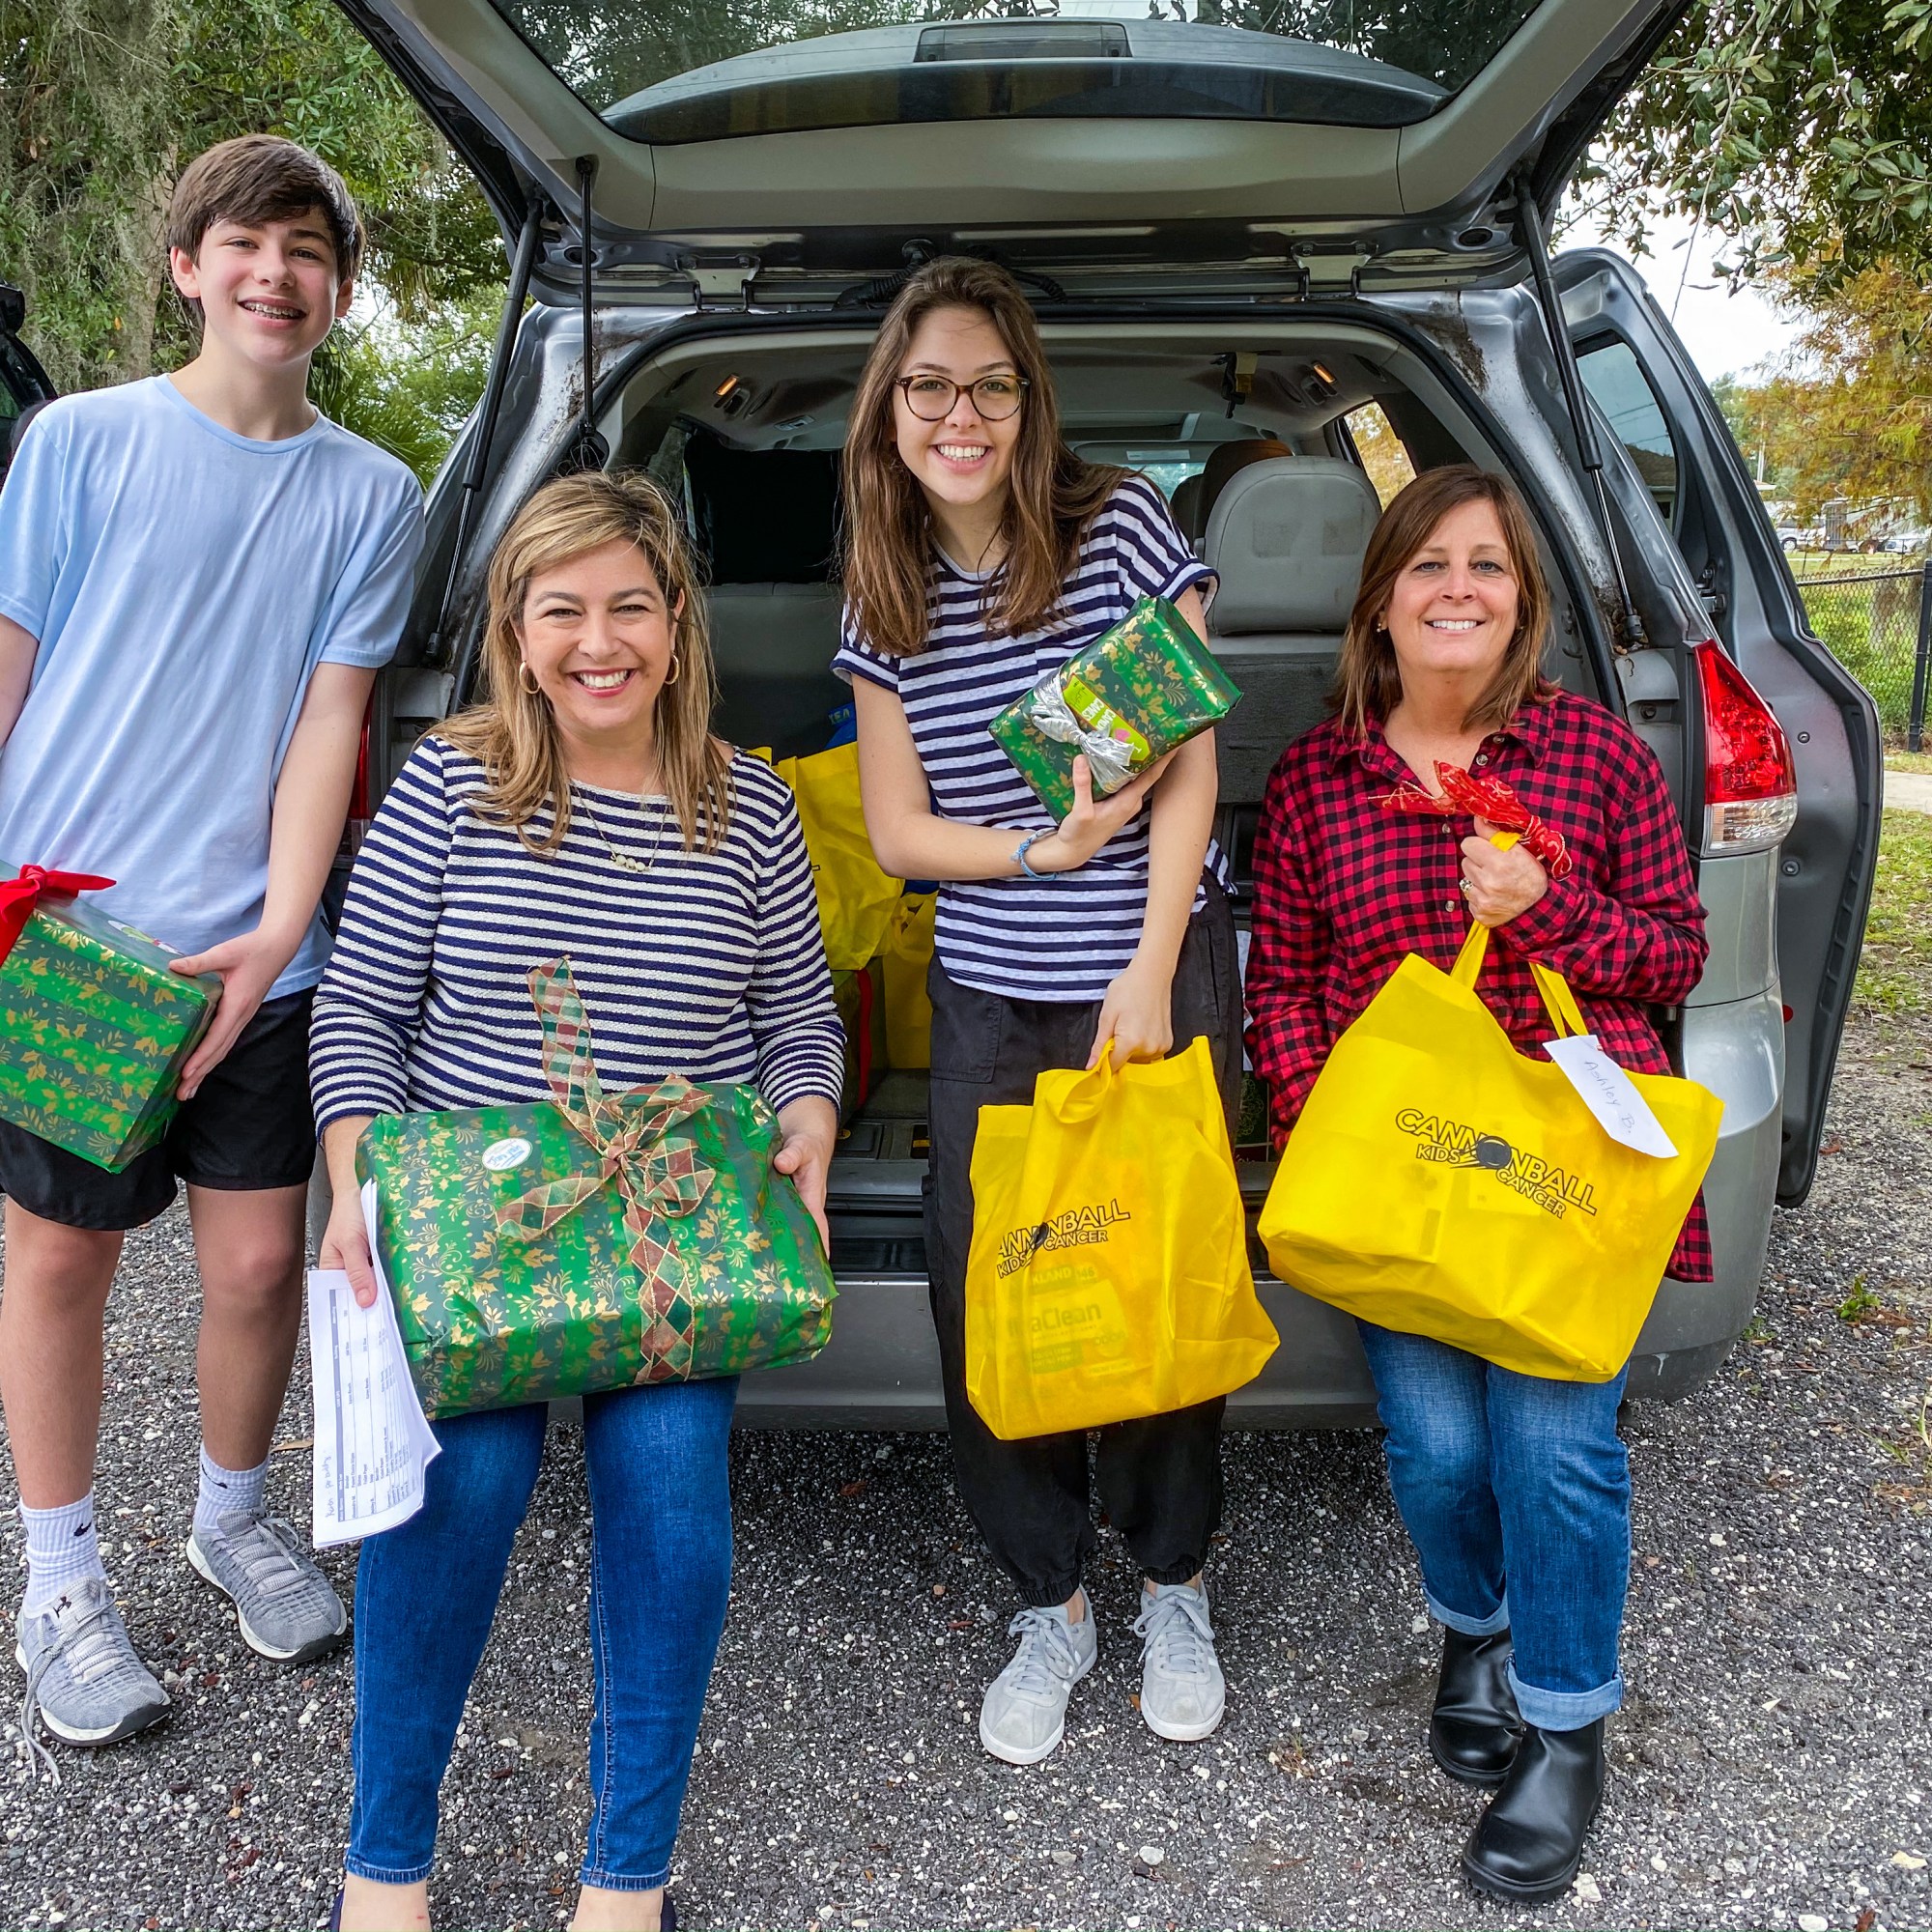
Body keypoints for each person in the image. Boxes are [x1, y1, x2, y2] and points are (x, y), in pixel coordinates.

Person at [310, 469, 843, 1932]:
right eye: (561, 611)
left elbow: (798, 1016)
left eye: (628, 607)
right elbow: (358, 1011)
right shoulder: (447, 786)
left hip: (670, 1225)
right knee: (459, 1488)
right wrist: (356, 1181)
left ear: (678, 628)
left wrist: (807, 1117)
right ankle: (385, 1867)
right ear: (516, 632)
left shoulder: (753, 809)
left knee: (671, 1500)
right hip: (480, 1233)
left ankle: (628, 1878)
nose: (597, 643)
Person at [0, 135, 423, 1752]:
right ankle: (59, 1585)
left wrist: (279, 931)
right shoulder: (78, 441)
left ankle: (230, 1518)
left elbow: (329, 725)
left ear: (339, 291)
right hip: (72, 944)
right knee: (62, 1258)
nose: (276, 272)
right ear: (188, 266)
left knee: (255, 1266)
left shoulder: (371, 494)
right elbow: (10, 666)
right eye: (246, 242)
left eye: (308, 250)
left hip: (260, 956)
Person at [1244, 465, 1710, 1901]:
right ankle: (1478, 1630)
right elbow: (1284, 982)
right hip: (1409, 1172)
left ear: (1524, 603)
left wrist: (1549, 908)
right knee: (1438, 1450)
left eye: (1488, 566)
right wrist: (1331, 1120)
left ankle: (1565, 1730)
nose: (1459, 588)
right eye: (1430, 565)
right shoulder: (1320, 777)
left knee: (1554, 1448)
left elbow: (1677, 954)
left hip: (1560, 1165)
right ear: (1381, 604)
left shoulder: (1594, 757)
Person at [836, 257, 1239, 1766]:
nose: (962, 415)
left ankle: (1175, 1581)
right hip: (993, 989)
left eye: (991, 386)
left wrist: (1149, 963)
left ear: (1029, 401)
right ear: (889, 408)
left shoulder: (1118, 524)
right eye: (930, 386)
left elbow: (1190, 761)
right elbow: (897, 832)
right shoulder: (882, 592)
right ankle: (1050, 1599)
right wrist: (1040, 854)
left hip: (1152, 966)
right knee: (994, 1296)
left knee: (1157, 1276)